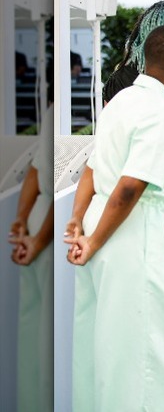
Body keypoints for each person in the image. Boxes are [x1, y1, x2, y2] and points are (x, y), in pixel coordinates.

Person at [63, 25, 164, 411]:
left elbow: (92, 167)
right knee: (151, 348)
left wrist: (78, 222)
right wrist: (94, 239)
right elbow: (130, 186)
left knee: (106, 340)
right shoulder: (158, 108)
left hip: (102, 224)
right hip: (138, 229)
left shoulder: (120, 101)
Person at [8, 100, 54, 411]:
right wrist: (34, 239)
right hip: (48, 226)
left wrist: (21, 222)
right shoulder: (63, 112)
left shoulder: (53, 110)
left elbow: (36, 171)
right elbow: (55, 185)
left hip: (39, 219)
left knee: (31, 323)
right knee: (48, 334)